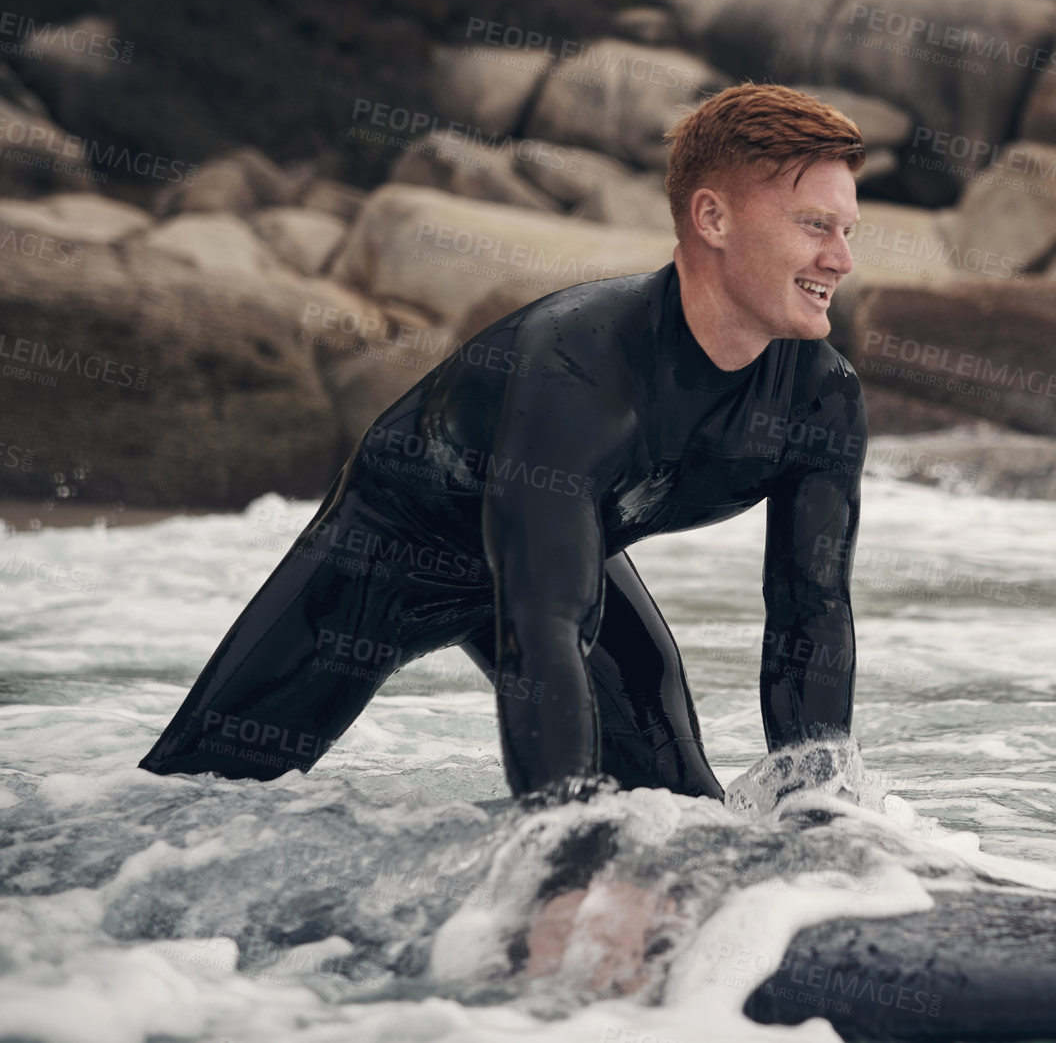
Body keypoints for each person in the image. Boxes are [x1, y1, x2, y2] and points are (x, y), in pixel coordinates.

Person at [139, 83, 869, 802]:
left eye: (847, 232)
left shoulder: (820, 399)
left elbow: (812, 612)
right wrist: (562, 857)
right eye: (814, 226)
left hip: (557, 557)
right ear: (713, 217)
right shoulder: (579, 362)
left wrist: (823, 823)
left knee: (678, 803)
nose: (840, 260)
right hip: (391, 553)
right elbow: (545, 624)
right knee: (191, 799)